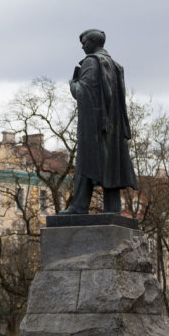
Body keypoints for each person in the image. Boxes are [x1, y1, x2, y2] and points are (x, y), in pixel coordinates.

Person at [61, 29, 138, 214]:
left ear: (94, 42)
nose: (82, 46)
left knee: (86, 164)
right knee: (111, 168)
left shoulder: (91, 61)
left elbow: (84, 92)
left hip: (95, 126)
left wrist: (73, 83)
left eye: (84, 42)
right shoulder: (115, 65)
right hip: (115, 127)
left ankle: (79, 206)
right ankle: (113, 209)